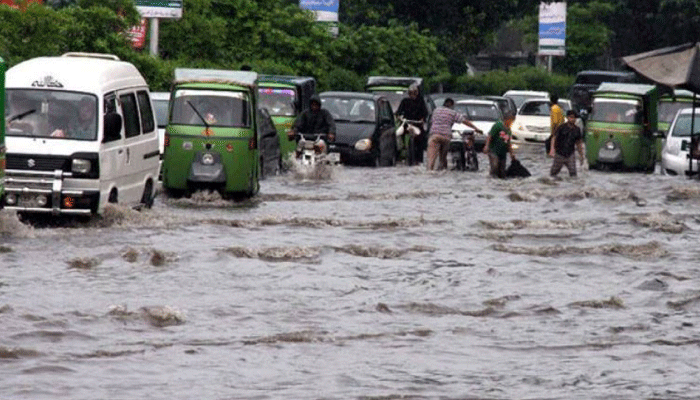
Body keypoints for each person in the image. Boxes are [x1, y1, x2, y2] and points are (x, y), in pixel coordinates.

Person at [426, 98, 482, 171]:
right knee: (443, 158)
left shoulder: (436, 110)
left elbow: (431, 121)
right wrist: (476, 129)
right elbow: (465, 121)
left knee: (431, 157)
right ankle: (442, 169)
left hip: (434, 136)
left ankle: (430, 171)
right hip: (446, 136)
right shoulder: (452, 113)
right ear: (452, 105)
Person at [396, 83, 429, 163]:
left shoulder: (420, 101)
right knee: (399, 134)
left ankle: (419, 159)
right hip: (407, 123)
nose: (412, 95)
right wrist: (400, 117)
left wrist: (422, 119)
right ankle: (401, 150)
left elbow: (425, 112)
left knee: (421, 139)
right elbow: (399, 112)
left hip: (417, 124)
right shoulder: (405, 101)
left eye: (414, 92)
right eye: (411, 93)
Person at [549, 109, 585, 177]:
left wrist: (581, 155)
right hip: (559, 153)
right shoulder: (562, 127)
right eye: (571, 117)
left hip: (570, 154)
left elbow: (578, 143)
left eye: (574, 118)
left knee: (573, 173)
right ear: (567, 118)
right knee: (553, 173)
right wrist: (552, 150)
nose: (573, 119)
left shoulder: (577, 130)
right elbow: (554, 138)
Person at [483, 110, 516, 179]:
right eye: (511, 120)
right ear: (506, 119)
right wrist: (487, 146)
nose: (512, 122)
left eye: (513, 120)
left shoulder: (509, 130)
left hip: (503, 153)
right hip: (493, 151)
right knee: (495, 166)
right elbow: (490, 136)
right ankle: (491, 181)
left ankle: (499, 185)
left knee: (502, 171)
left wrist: (511, 154)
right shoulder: (497, 125)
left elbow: (508, 143)